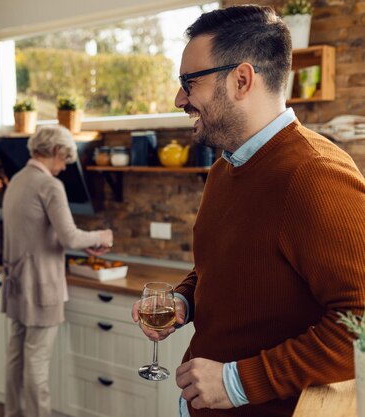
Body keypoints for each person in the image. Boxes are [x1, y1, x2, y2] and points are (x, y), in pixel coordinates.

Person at [132, 5, 365, 417]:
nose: (179, 99)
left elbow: (359, 323)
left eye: (190, 82)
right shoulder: (227, 165)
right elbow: (226, 267)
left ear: (241, 80)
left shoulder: (315, 174)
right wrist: (185, 301)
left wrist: (238, 383)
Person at [2, 125, 113, 417]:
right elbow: (70, 238)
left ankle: (13, 413)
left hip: (16, 283)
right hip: (41, 286)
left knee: (16, 357)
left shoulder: (16, 180)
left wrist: (81, 242)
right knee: (37, 364)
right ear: (53, 151)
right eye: (63, 159)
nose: (63, 167)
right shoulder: (49, 185)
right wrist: (100, 236)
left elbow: (35, 231)